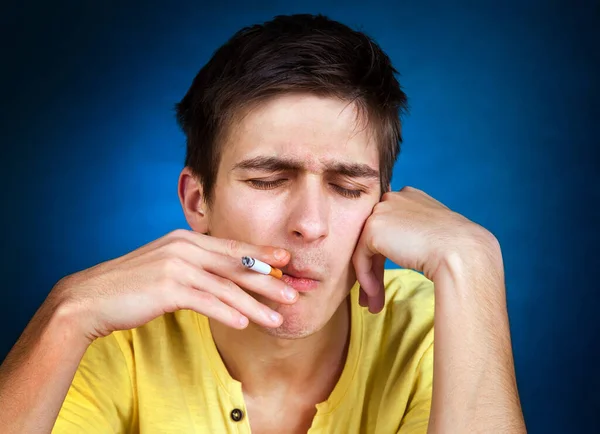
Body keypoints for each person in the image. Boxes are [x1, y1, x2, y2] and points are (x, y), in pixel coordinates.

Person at [0, 13, 526, 433]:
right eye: (269, 179)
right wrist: (66, 314)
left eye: (348, 187)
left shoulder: (436, 325)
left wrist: (472, 260)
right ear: (197, 200)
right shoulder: (113, 339)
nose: (309, 225)